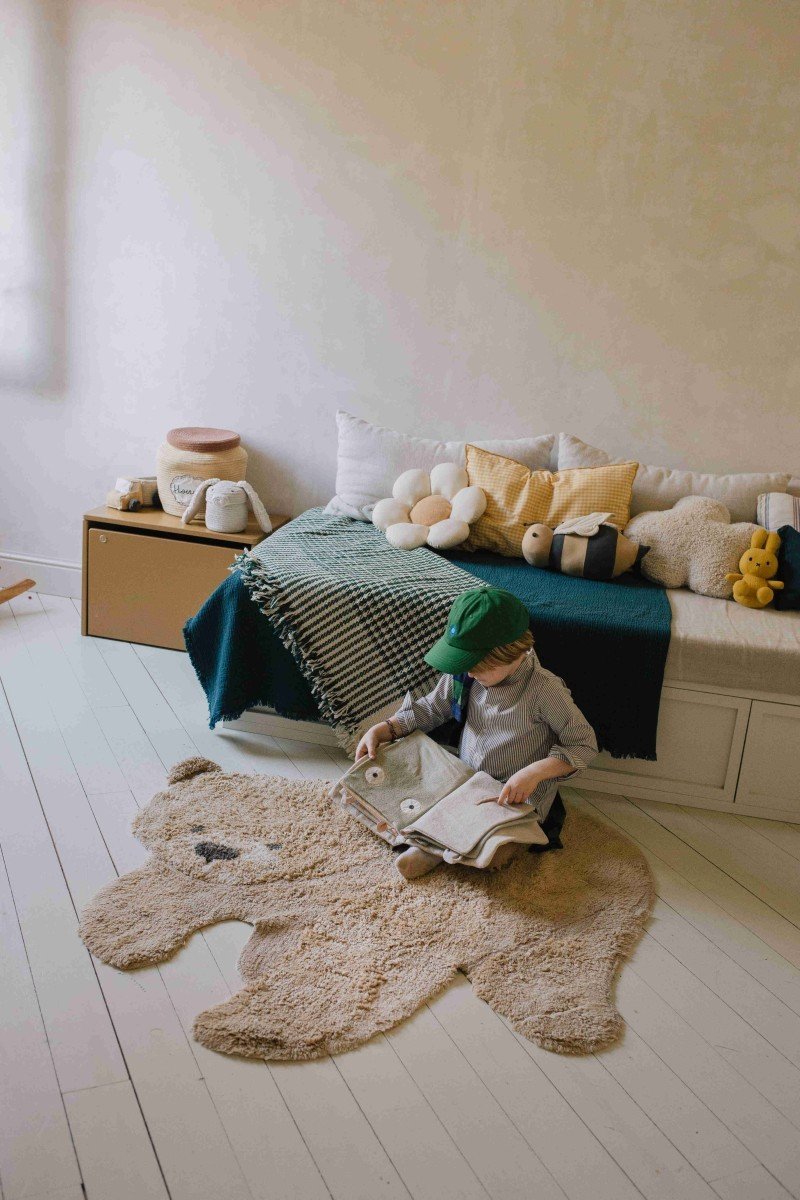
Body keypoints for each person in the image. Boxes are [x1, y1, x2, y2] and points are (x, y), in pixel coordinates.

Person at [355, 587, 598, 878]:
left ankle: (438, 849)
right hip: (465, 777)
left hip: (510, 794)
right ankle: (441, 839)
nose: (469, 673)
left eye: (477, 667)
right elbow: (432, 708)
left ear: (509, 653)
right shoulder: (466, 672)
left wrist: (534, 773)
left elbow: (583, 745)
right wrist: (384, 729)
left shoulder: (544, 690)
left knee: (496, 846)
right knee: (405, 781)